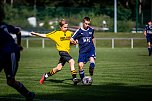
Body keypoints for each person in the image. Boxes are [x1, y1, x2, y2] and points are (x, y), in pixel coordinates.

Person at [0, 6, 35, 100]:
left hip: (10, 53)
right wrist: (19, 44)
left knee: (10, 81)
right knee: (10, 81)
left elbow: (18, 32)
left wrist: (18, 45)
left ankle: (28, 95)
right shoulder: (4, 25)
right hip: (4, 53)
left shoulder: (3, 25)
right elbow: (18, 32)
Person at [31, 19, 78, 85]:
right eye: (65, 27)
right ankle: (74, 79)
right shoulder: (56, 33)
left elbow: (69, 42)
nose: (66, 28)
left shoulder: (69, 33)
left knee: (58, 68)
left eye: (67, 27)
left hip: (66, 52)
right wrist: (36, 34)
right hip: (62, 52)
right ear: (60, 27)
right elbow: (45, 35)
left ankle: (45, 76)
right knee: (72, 61)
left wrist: (74, 42)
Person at [70, 17, 96, 82]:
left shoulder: (91, 30)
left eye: (88, 24)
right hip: (82, 51)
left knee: (92, 60)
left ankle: (91, 69)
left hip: (90, 49)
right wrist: (74, 41)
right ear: (83, 23)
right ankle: (83, 80)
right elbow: (72, 39)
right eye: (86, 24)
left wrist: (94, 46)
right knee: (80, 65)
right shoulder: (79, 31)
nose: (87, 25)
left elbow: (92, 37)